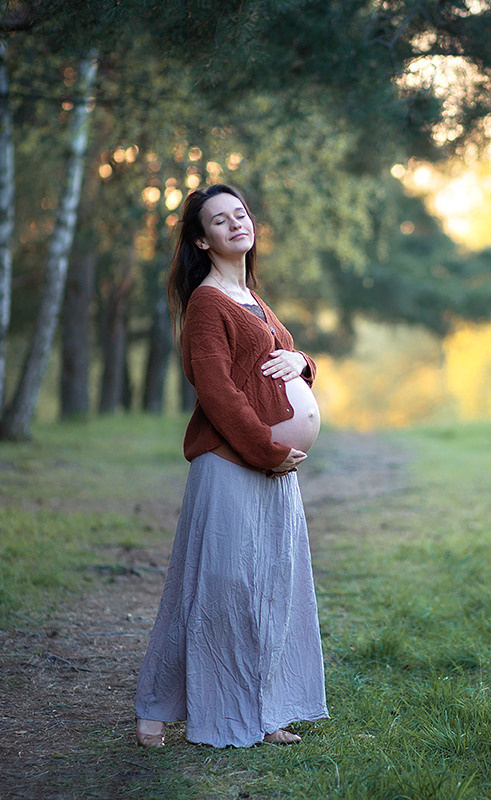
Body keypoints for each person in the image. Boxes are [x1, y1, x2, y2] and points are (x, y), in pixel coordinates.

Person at [133, 184, 327, 748]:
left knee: (270, 590)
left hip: (274, 474)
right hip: (232, 465)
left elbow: (275, 364)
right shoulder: (207, 302)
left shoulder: (253, 299)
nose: (236, 223)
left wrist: (304, 362)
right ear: (202, 238)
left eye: (240, 213)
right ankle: (155, 708)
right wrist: (267, 450)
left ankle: (263, 710)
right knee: (213, 590)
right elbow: (216, 391)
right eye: (220, 220)